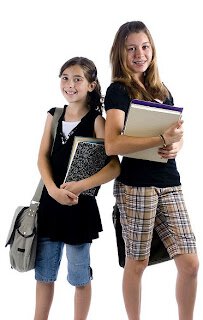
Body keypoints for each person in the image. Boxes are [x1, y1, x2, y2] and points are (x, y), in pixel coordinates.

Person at [104, 21, 199, 320]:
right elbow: (112, 143)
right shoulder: (118, 91)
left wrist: (175, 146)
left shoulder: (161, 89)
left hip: (170, 181)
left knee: (191, 264)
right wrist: (160, 139)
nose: (139, 54)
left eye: (144, 46)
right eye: (131, 48)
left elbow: (176, 135)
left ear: (152, 49)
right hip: (136, 186)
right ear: (120, 53)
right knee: (137, 263)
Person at [34, 56, 120, 320]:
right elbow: (42, 157)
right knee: (44, 275)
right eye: (65, 78)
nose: (70, 84)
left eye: (77, 79)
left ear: (91, 85)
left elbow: (114, 166)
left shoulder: (97, 121)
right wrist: (53, 190)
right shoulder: (54, 115)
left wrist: (80, 187)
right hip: (50, 206)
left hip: (79, 209)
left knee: (80, 276)